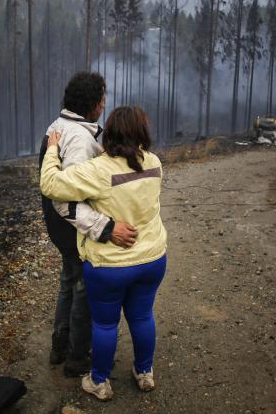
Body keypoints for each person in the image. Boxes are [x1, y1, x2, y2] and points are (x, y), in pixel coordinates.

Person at [41, 106, 167, 401]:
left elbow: (50, 185)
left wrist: (53, 149)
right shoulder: (155, 163)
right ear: (141, 134)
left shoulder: (98, 170)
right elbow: (125, 172)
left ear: (109, 132)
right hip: (152, 260)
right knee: (142, 316)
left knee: (106, 324)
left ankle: (99, 382)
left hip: (111, 265)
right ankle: (145, 372)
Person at [38, 72, 138, 378]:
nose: (105, 104)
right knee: (84, 292)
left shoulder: (59, 126)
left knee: (69, 284)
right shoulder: (80, 140)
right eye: (103, 99)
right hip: (74, 230)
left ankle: (59, 348)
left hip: (59, 229)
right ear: (94, 105)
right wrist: (107, 228)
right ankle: (77, 360)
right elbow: (65, 200)